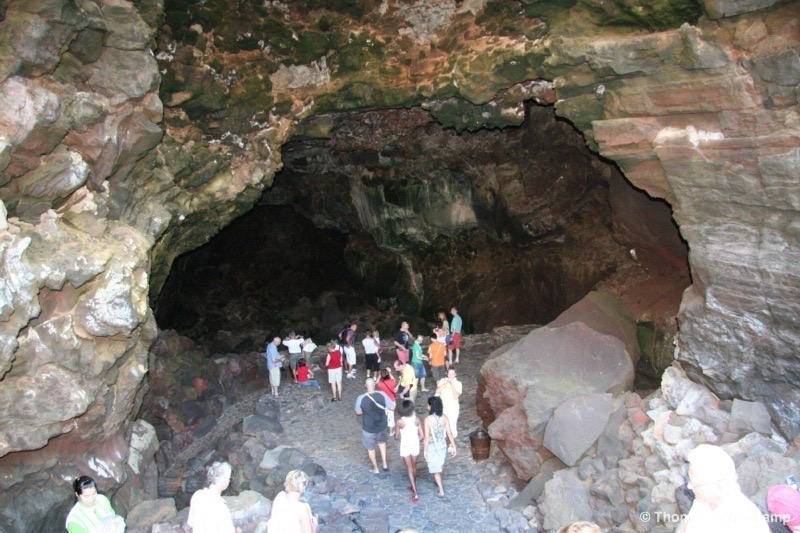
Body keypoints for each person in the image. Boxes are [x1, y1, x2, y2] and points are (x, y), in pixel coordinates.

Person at [677, 444, 769, 533]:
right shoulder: (704, 500)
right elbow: (686, 524)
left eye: (695, 483)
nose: (689, 486)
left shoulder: (744, 522)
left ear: (718, 485)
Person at [354, 377, 395, 474]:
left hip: (369, 427)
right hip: (382, 425)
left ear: (365, 386)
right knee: (382, 443)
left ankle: (376, 468)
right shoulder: (382, 394)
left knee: (370, 448)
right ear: (374, 385)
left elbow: (358, 412)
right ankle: (385, 464)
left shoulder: (361, 398)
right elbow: (391, 408)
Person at [187, 462, 241, 533]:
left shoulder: (197, 495)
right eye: (229, 478)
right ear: (224, 479)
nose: (229, 481)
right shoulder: (221, 506)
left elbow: (191, 524)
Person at [423, 396, 457, 498]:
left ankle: (441, 489)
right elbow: (449, 433)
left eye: (428, 404)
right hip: (442, 444)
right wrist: (454, 446)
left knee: (435, 469)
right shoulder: (444, 418)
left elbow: (426, 437)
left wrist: (424, 450)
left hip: (432, 445)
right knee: (440, 464)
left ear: (431, 406)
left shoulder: (428, 419)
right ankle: (438, 480)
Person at [395, 399, 424, 504]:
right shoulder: (416, 420)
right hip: (415, 444)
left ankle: (415, 492)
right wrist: (418, 440)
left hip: (405, 445)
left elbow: (396, 435)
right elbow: (422, 435)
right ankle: (413, 485)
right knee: (414, 466)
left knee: (409, 468)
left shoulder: (400, 422)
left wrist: (395, 434)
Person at [435, 367, 462, 438]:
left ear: (455, 374)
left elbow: (456, 396)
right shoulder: (442, 381)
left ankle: (451, 444)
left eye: (452, 374)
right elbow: (437, 391)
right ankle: (442, 442)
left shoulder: (458, 383)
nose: (451, 376)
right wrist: (445, 383)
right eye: (449, 374)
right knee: (442, 425)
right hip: (442, 407)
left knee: (452, 426)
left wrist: (452, 384)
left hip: (453, 408)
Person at [377, 367, 397, 436]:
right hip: (391, 401)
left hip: (383, 401)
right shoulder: (392, 382)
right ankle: (391, 432)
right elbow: (394, 379)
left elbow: (376, 383)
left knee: (384, 415)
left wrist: (379, 375)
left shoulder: (380, 384)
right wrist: (389, 372)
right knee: (391, 416)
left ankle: (383, 428)